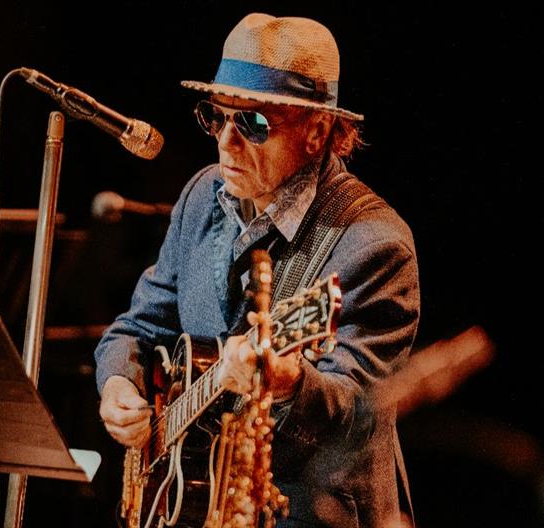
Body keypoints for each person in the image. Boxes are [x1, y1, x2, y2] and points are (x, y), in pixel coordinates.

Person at [94, 12, 420, 528]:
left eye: (253, 123)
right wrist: (118, 384)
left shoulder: (373, 243)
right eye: (215, 116)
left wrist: (290, 380)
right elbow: (138, 326)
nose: (227, 140)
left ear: (317, 131)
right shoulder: (202, 195)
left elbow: (359, 413)